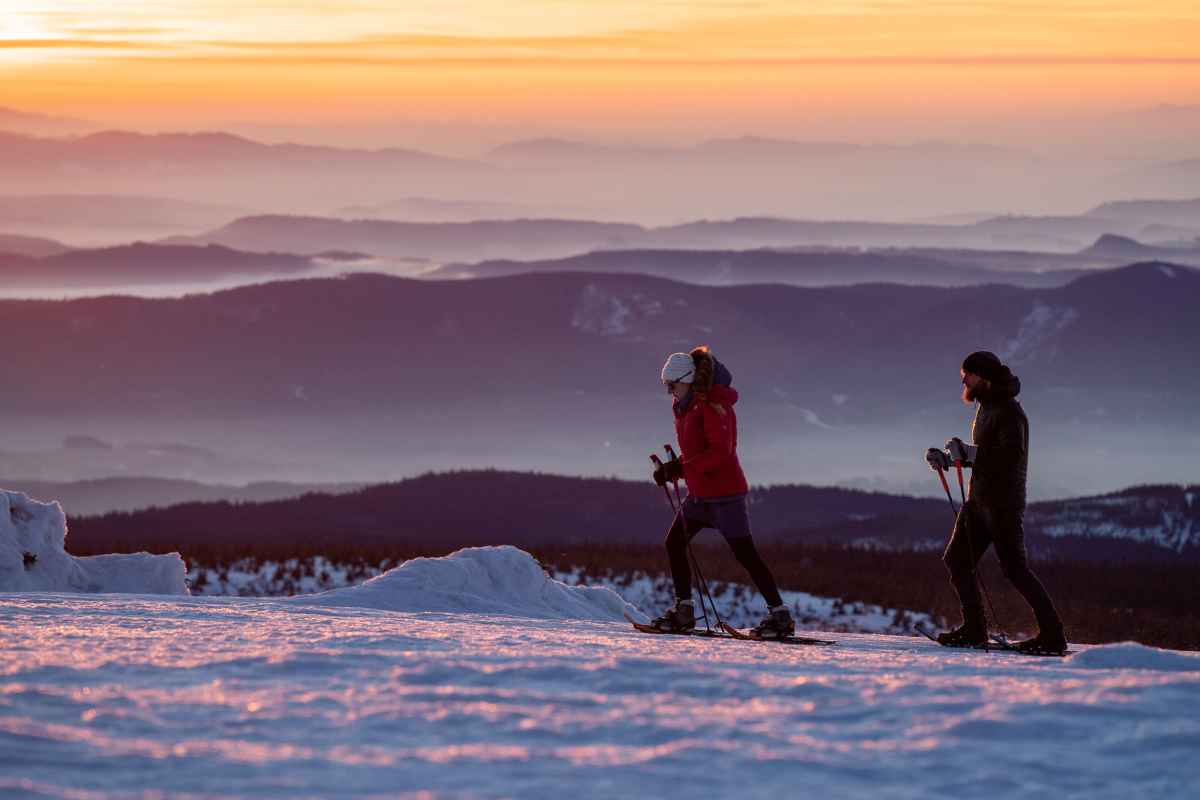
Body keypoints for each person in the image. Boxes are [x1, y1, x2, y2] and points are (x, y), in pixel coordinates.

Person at [925, 351, 1067, 655]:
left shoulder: (1010, 412)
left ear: (984, 377)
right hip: (979, 503)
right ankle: (975, 629)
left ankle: (1053, 635)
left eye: (967, 374)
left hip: (1003, 504)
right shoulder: (987, 407)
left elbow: (1010, 457)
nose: (963, 379)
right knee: (957, 561)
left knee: (1015, 569)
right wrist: (949, 460)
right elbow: (986, 455)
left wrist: (969, 453)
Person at [650, 346, 795, 638]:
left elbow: (720, 452)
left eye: (672, 385)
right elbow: (697, 453)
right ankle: (684, 611)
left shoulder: (713, 406)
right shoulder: (686, 407)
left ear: (688, 380)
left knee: (745, 554)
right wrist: (674, 469)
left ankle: (780, 616)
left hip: (725, 496)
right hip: (700, 495)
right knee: (674, 543)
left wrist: (682, 468)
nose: (669, 392)